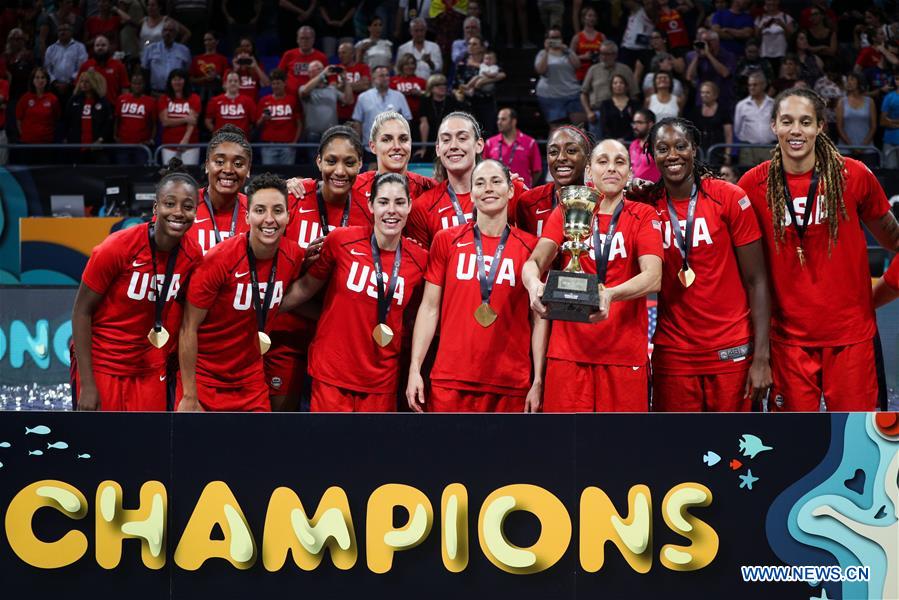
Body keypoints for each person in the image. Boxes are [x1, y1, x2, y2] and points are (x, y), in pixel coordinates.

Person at [738, 88, 899, 411]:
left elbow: (894, 241)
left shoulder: (853, 176)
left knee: (860, 445)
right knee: (797, 450)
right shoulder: (751, 186)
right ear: (774, 126)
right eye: (787, 121)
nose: (796, 130)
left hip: (852, 340)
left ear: (820, 127)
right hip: (788, 341)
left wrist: (877, 295)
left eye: (805, 122)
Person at [633, 117, 770, 411]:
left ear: (694, 149)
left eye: (681, 146)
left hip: (731, 349)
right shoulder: (646, 207)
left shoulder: (729, 198)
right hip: (674, 354)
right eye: (662, 149)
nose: (672, 155)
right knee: (680, 452)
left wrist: (761, 357)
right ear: (652, 156)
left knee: (737, 450)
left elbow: (757, 280)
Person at [522, 138, 663, 412]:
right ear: (588, 171)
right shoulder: (567, 210)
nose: (611, 168)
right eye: (602, 161)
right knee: (566, 448)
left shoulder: (643, 215)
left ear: (630, 173)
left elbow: (653, 276)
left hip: (623, 354)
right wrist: (532, 284)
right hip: (568, 354)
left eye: (619, 162)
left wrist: (610, 294)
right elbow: (536, 260)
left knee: (620, 449)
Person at [279, 172, 428, 412]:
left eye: (400, 202)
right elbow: (306, 288)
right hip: (332, 374)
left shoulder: (421, 260)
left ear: (410, 205)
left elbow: (421, 315)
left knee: (374, 451)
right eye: (383, 202)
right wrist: (263, 310)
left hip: (381, 381)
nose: (391, 210)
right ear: (370, 205)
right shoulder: (341, 241)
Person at [407, 159, 546, 413]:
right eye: (480, 183)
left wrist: (537, 380)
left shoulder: (532, 248)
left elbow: (538, 318)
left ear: (511, 190)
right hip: (450, 379)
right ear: (471, 194)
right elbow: (429, 308)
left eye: (496, 182)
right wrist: (415, 368)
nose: (488, 189)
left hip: (510, 383)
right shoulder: (446, 241)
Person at [72, 165, 201, 411]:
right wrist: (87, 384)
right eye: (170, 204)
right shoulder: (116, 248)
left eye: (187, 206)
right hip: (104, 363)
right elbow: (81, 312)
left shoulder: (193, 254)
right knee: (99, 445)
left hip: (149, 368)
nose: (178, 212)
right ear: (155, 208)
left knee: (145, 445)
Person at [179, 173, 305, 412]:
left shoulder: (294, 255)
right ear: (247, 216)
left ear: (288, 216)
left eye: (278, 210)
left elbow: (302, 290)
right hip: (206, 378)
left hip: (251, 381)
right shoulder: (219, 260)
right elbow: (188, 328)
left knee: (259, 449)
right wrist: (189, 394)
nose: (269, 219)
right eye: (260, 210)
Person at [266, 127, 372, 411]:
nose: (339, 170)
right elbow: (267, 266)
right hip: (288, 332)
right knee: (282, 425)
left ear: (361, 164)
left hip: (341, 338)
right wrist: (302, 264)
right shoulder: (295, 198)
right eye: (331, 160)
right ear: (318, 162)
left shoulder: (369, 210)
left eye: (349, 162)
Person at [408, 111, 525, 247]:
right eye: (446, 140)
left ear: (479, 145)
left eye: (462, 138)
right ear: (438, 149)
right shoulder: (423, 207)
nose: (453, 146)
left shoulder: (511, 191)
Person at [515, 124, 592, 237]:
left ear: (587, 159)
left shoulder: (602, 201)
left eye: (571, 151)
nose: (561, 158)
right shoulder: (528, 202)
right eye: (553, 152)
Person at [193, 125, 253, 255]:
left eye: (238, 164)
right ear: (207, 165)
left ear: (248, 170)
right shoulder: (185, 205)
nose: (228, 170)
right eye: (219, 162)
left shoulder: (256, 211)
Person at [580, 40, 638, 138]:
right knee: (596, 146)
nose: (603, 57)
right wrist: (588, 112)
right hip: (597, 112)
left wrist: (632, 111)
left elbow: (634, 93)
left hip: (619, 112)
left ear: (615, 55)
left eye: (607, 54)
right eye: (601, 53)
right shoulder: (593, 69)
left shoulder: (625, 70)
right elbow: (583, 93)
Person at [352, 65, 411, 151]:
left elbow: (407, 120)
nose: (385, 78)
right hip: (370, 148)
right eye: (381, 76)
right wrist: (357, 145)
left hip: (394, 147)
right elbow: (358, 122)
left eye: (387, 75)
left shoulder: (399, 96)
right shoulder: (363, 97)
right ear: (373, 79)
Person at [535, 27, 585, 127]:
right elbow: (540, 70)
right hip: (551, 96)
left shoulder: (568, 52)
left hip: (572, 93)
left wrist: (567, 50)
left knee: (579, 127)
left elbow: (577, 65)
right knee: (557, 129)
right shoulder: (542, 53)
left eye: (557, 37)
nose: (555, 40)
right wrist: (546, 51)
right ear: (547, 39)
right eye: (552, 37)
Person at [484, 107, 542, 187]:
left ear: (513, 121)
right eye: (498, 119)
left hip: (523, 193)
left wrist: (526, 186)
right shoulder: (490, 143)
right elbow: (484, 169)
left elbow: (537, 170)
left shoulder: (530, 142)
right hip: (497, 192)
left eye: (503, 119)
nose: (499, 122)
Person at [300, 61, 354, 147]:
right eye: (317, 69)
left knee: (331, 160)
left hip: (331, 134)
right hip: (313, 134)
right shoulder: (304, 88)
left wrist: (345, 80)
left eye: (321, 69)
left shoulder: (331, 89)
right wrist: (323, 74)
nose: (321, 71)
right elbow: (304, 92)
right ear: (309, 73)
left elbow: (349, 100)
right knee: (313, 160)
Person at [65, 71, 114, 164]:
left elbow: (108, 125)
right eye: (82, 81)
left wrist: (100, 140)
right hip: (77, 147)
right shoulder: (73, 100)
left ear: (94, 83)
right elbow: (67, 121)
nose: (83, 84)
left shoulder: (103, 102)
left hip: (97, 148)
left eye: (87, 81)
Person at [256, 69, 302, 166]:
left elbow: (299, 123)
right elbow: (257, 125)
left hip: (288, 146)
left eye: (278, 83)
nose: (275, 86)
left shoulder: (292, 100)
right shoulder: (264, 101)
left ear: (284, 83)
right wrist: (263, 119)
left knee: (288, 177)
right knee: (268, 177)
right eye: (273, 84)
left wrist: (294, 142)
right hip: (269, 145)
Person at [15, 67, 61, 163]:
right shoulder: (25, 98)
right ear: (32, 80)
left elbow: (57, 119)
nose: (40, 80)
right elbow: (18, 119)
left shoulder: (53, 99)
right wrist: (24, 135)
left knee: (45, 174)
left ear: (47, 80)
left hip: (46, 144)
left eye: (43, 77)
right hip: (28, 144)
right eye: (37, 77)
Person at [157, 68, 201, 166]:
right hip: (169, 144)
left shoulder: (194, 98)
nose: (177, 82)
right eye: (174, 79)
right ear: (170, 82)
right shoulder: (164, 99)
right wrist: (185, 119)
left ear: (185, 81)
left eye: (180, 79)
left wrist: (185, 140)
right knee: (170, 178)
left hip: (190, 145)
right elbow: (165, 121)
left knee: (189, 176)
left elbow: (192, 122)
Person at [416, 74, 464, 162]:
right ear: (431, 88)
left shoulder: (452, 101)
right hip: (430, 139)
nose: (442, 87)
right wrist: (424, 147)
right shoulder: (425, 101)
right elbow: (424, 124)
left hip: (448, 139)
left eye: (444, 85)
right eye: (438, 85)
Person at [685, 30, 736, 110]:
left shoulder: (728, 56)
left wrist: (708, 54)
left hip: (723, 98)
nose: (706, 44)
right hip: (702, 100)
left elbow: (725, 73)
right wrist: (697, 56)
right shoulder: (692, 56)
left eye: (709, 41)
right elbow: (689, 77)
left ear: (717, 41)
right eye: (703, 42)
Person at [734, 71, 776, 166]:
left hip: (769, 147)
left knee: (769, 178)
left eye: (755, 85)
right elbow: (737, 129)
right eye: (750, 85)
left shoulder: (773, 104)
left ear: (764, 85)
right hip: (748, 149)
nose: (751, 88)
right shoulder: (741, 105)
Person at [114, 70, 156, 165]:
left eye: (140, 83)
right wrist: (115, 136)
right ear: (131, 84)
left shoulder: (151, 101)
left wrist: (151, 139)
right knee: (123, 173)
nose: (137, 86)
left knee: (140, 173)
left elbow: (154, 123)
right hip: (123, 145)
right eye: (134, 83)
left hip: (141, 146)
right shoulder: (121, 99)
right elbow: (117, 120)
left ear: (144, 84)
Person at [688, 80, 732, 166]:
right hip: (700, 151)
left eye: (707, 92)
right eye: (702, 92)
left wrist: (728, 153)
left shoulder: (723, 111)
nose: (704, 95)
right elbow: (691, 133)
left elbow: (728, 134)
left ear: (715, 95)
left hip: (718, 150)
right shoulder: (695, 111)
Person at [141, 20, 191, 94]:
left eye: (171, 31)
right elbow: (144, 70)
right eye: (165, 30)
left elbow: (187, 71)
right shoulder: (151, 48)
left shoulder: (184, 50)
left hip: (176, 94)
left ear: (176, 33)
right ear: (161, 32)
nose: (167, 33)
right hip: (156, 93)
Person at [278, 26, 328, 98]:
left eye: (307, 38)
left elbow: (328, 79)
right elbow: (279, 76)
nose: (304, 41)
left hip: (314, 97)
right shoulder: (288, 55)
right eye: (302, 38)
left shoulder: (322, 57)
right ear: (297, 40)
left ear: (313, 40)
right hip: (291, 96)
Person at [77, 35, 129, 104]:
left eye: (103, 45)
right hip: (90, 106)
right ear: (94, 48)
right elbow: (78, 88)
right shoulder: (86, 65)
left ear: (109, 47)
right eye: (97, 45)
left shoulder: (119, 66)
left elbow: (125, 88)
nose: (100, 48)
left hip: (112, 106)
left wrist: (123, 105)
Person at [836, 72, 876, 161]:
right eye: (848, 80)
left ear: (860, 82)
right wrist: (852, 147)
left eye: (852, 79)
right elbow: (839, 127)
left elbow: (873, 126)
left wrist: (862, 146)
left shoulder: (870, 102)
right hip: (845, 150)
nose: (849, 82)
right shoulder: (841, 102)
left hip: (868, 149)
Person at [44, 22, 87, 103]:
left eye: (65, 30)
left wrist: (69, 82)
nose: (62, 32)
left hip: (74, 86)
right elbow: (47, 68)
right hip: (54, 87)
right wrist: (54, 82)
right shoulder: (51, 49)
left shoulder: (80, 47)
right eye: (60, 30)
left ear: (71, 32)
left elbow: (82, 67)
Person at [204, 71, 256, 137]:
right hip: (222, 141)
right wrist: (216, 133)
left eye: (235, 81)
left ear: (240, 84)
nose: (233, 83)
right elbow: (208, 121)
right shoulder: (215, 101)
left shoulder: (248, 101)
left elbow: (252, 123)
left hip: (241, 141)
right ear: (225, 84)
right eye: (230, 81)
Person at [335, 41, 371, 125]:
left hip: (360, 112)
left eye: (344, 53)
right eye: (339, 53)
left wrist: (344, 86)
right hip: (341, 113)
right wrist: (356, 85)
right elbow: (334, 89)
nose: (340, 56)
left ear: (352, 54)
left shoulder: (362, 68)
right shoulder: (336, 69)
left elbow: (365, 85)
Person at [225, 37, 270, 102]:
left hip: (253, 103)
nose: (244, 49)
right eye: (242, 46)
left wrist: (256, 67)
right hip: (236, 104)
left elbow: (267, 84)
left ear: (252, 48)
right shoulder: (230, 70)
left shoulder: (258, 67)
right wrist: (235, 70)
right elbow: (225, 88)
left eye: (247, 46)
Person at [189, 31, 229, 104]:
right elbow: (191, 79)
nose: (207, 42)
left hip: (217, 93)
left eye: (210, 40)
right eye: (205, 40)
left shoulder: (222, 59)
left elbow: (226, 78)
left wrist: (216, 77)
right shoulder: (197, 59)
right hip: (200, 94)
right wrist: (204, 79)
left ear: (217, 41)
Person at [755, 0, 793, 72]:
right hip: (765, 54)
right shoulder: (759, 18)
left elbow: (791, 37)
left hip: (782, 54)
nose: (771, 2)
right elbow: (757, 38)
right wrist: (761, 28)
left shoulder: (786, 17)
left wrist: (783, 25)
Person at [570, 6, 605, 81]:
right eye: (589, 15)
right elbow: (569, 58)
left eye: (594, 16)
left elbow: (608, 54)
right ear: (583, 18)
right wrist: (583, 57)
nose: (592, 18)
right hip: (581, 74)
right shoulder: (577, 37)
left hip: (598, 74)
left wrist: (599, 57)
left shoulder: (601, 36)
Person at [391, 53, 428, 120]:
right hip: (397, 116)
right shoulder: (393, 81)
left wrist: (420, 93)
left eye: (412, 63)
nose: (410, 66)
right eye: (407, 64)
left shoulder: (422, 81)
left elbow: (429, 95)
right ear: (401, 66)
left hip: (418, 117)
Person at [629, 108, 660, 181]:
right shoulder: (633, 145)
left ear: (650, 124)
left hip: (654, 190)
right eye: (634, 123)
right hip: (634, 190)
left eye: (639, 123)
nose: (634, 127)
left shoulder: (658, 145)